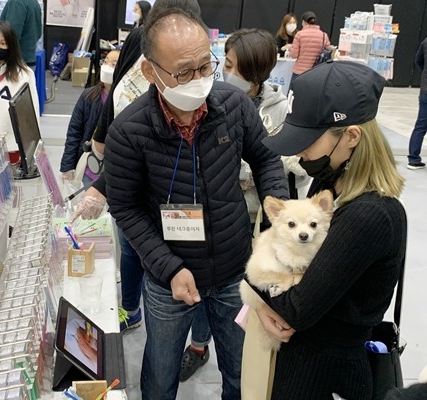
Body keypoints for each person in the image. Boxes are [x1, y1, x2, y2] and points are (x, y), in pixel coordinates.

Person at [103, 8, 289, 400]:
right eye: (184, 72)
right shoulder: (129, 131)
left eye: (207, 65)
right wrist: (168, 268)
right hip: (169, 278)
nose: (199, 79)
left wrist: (277, 221)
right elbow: (125, 208)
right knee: (160, 373)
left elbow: (267, 158)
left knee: (241, 372)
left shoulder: (234, 107)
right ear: (151, 72)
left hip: (234, 270)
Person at [256, 60, 406, 399]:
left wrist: (257, 283)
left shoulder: (367, 216)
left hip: (325, 374)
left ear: (351, 136)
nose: (301, 151)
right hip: (304, 357)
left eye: (308, 140)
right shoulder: (330, 182)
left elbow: (296, 307)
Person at [178, 27, 311, 383]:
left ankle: (237, 368)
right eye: (225, 63)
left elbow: (286, 160)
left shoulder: (279, 107)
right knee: (205, 288)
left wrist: (261, 172)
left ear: (255, 73)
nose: (225, 72)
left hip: (255, 221)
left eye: (234, 66)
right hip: (214, 217)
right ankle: (199, 345)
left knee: (239, 305)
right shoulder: (211, 100)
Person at [72, 0, 204, 334]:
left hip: (177, 194)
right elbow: (117, 113)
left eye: (203, 67)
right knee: (132, 247)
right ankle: (131, 308)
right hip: (133, 181)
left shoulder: (202, 87)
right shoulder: (140, 47)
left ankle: (193, 334)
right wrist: (103, 185)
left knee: (176, 262)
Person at [0, 22, 39, 152]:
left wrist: (31, 148)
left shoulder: (25, 75)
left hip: (11, 148)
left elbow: (32, 115)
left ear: (11, 45)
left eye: (3, 43)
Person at [59, 50, 120, 184]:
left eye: (114, 64)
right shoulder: (88, 97)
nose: (107, 66)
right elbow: (74, 133)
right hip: (90, 171)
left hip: (115, 174)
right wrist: (67, 166)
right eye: (105, 61)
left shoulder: (125, 102)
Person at [0, 0, 42, 68]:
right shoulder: (34, 2)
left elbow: (12, 34)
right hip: (29, 59)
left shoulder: (16, 2)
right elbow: (38, 32)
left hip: (16, 62)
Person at [290, 11, 330, 79]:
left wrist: (290, 48)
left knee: (295, 89)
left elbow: (294, 55)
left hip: (299, 72)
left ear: (303, 22)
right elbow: (328, 51)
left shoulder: (299, 34)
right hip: (315, 72)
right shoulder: (324, 35)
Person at [407, 36, 427, 170]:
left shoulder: (425, 41)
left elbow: (418, 60)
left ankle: (413, 159)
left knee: (420, 125)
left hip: (425, 90)